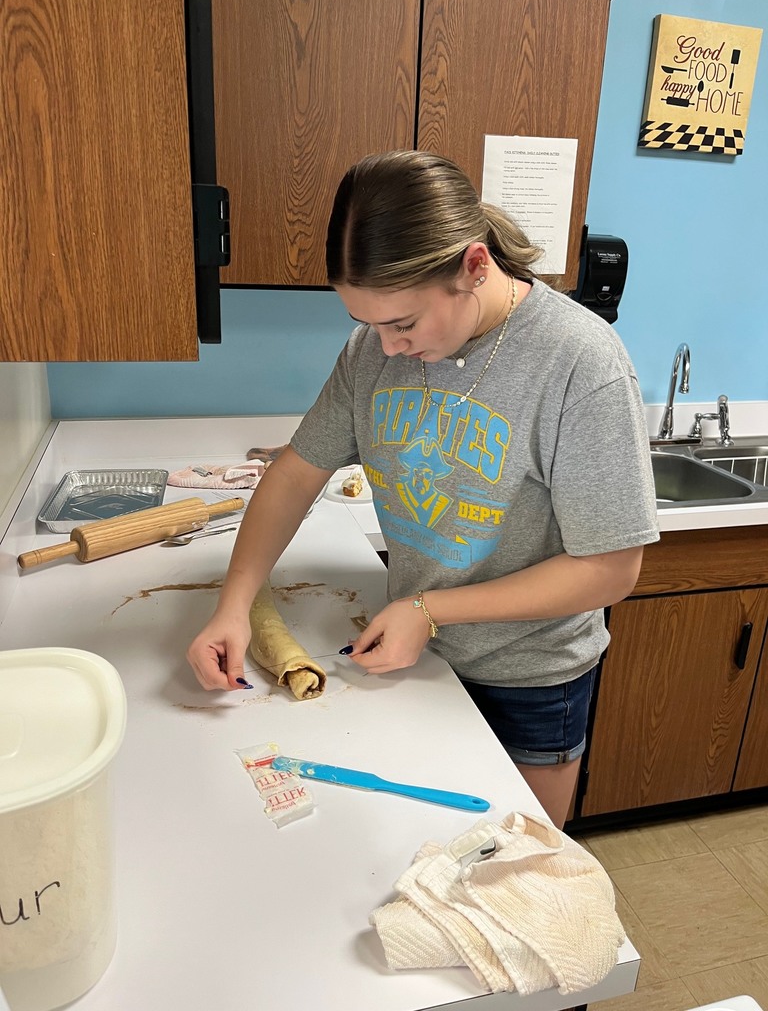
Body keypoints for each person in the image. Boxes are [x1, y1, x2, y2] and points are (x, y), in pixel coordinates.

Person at [187, 150, 659, 829]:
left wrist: (430, 608)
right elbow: (293, 475)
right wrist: (233, 606)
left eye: (403, 323)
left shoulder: (579, 362)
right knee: (410, 846)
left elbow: (611, 568)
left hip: (529, 679)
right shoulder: (371, 354)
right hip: (419, 656)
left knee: (515, 860)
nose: (385, 348)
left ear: (473, 267)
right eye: (367, 325)